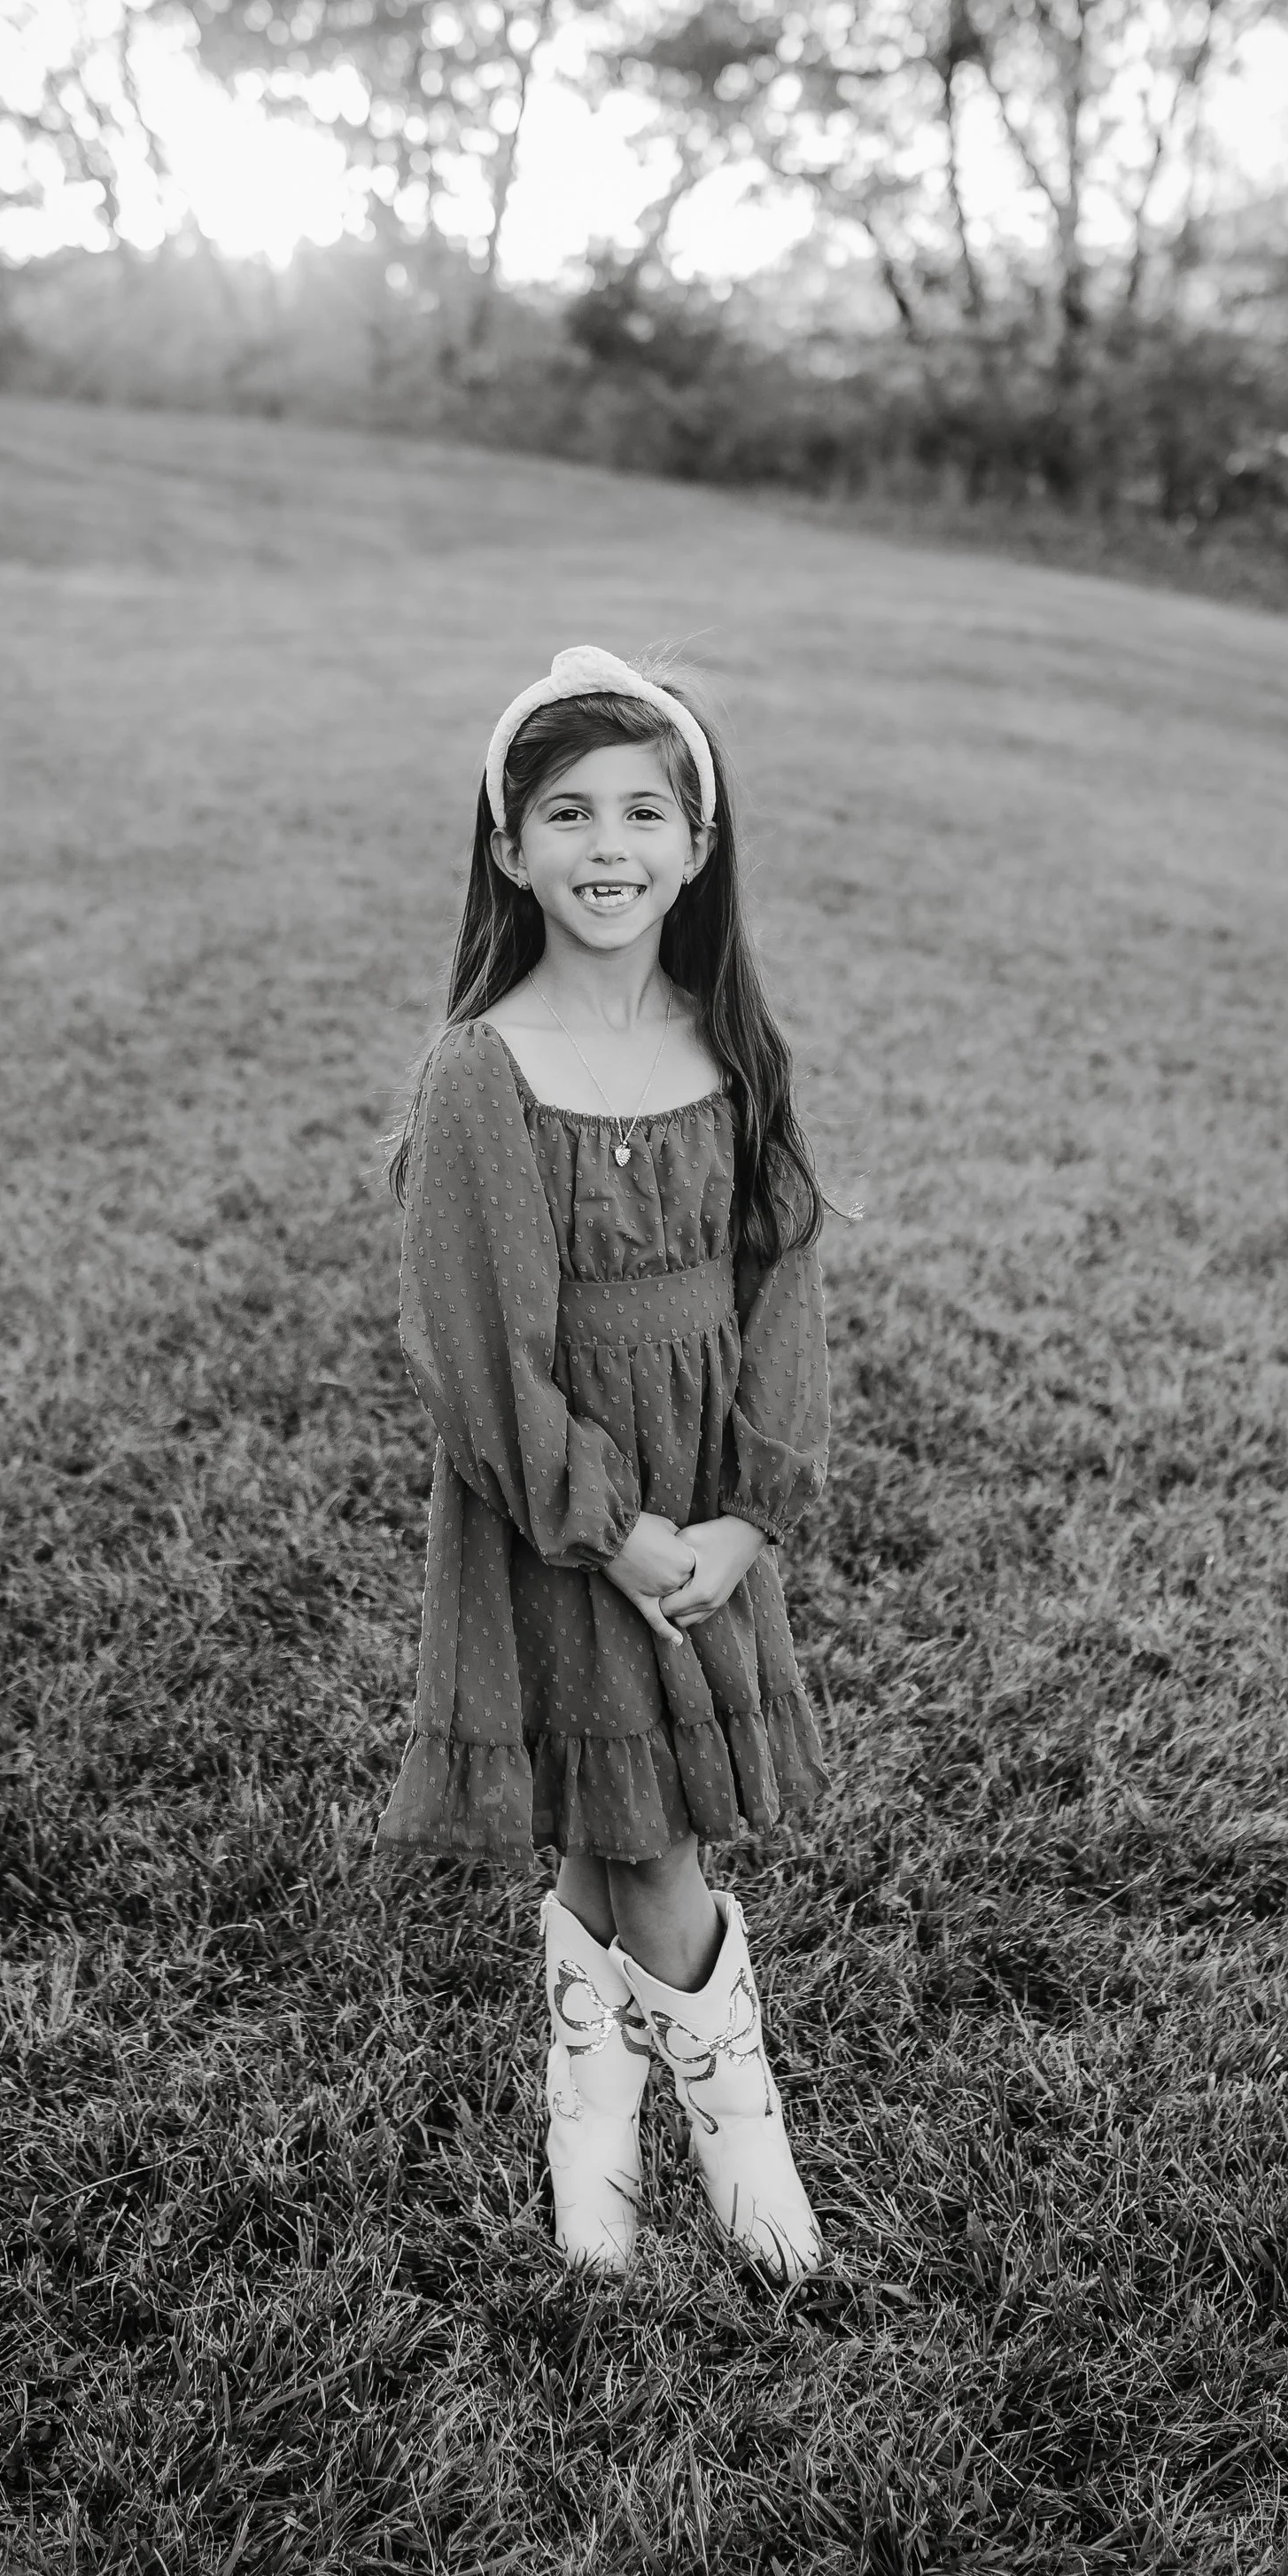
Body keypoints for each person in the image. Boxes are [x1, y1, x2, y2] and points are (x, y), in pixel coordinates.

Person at [376, 643, 834, 2282]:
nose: (607, 845)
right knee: (655, 1835)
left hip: (704, 1505)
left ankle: (593, 2152)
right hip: (567, 1515)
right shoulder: (481, 1072)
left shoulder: (736, 1046)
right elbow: (477, 1356)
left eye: (647, 810)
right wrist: (624, 1533)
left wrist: (743, 1517)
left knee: (607, 1810)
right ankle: (745, 2151)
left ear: (700, 847)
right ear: (507, 848)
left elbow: (784, 1282)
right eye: (565, 812)